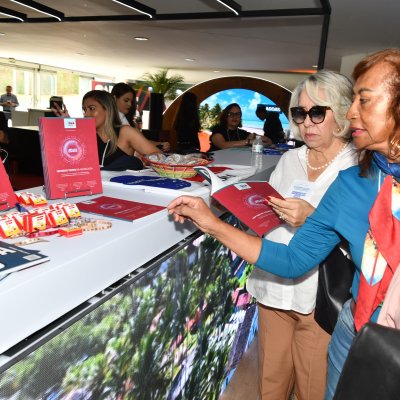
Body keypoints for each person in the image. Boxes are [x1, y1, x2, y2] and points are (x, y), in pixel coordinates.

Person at [167, 48, 400, 399]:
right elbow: (292, 260)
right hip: (353, 324)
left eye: (363, 101)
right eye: (299, 113)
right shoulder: (351, 182)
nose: (352, 112)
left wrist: (308, 216)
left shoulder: (350, 171)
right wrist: (210, 221)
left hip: (331, 307)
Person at [246, 70, 358, 400]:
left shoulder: (358, 167)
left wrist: (311, 217)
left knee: (313, 389)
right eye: (299, 113)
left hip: (320, 296)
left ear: (340, 112)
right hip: (274, 288)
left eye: (317, 112)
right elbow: (271, 219)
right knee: (271, 385)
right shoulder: (287, 160)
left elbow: (365, 237)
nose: (307, 122)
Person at [53, 90, 161, 170]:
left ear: (107, 109)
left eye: (92, 109)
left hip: (121, 192)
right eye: (84, 110)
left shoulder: (125, 132)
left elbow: (158, 155)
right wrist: (67, 128)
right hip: (91, 190)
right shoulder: (84, 134)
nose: (86, 114)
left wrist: (142, 162)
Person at [111, 82, 170, 152]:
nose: (129, 104)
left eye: (131, 101)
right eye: (126, 100)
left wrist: (160, 144)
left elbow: (143, 140)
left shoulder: (129, 122)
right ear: (114, 98)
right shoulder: (108, 120)